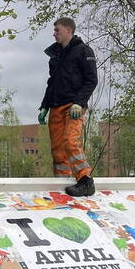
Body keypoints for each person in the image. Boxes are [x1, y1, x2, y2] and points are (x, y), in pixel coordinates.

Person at [38, 17, 98, 196]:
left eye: (57, 30)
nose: (54, 33)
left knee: (70, 142)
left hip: (73, 106)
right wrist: (44, 106)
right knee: (57, 149)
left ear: (68, 31)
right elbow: (52, 83)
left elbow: (91, 80)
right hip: (56, 105)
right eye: (54, 30)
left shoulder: (83, 51)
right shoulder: (55, 56)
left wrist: (79, 103)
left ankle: (85, 179)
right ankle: (61, 181)